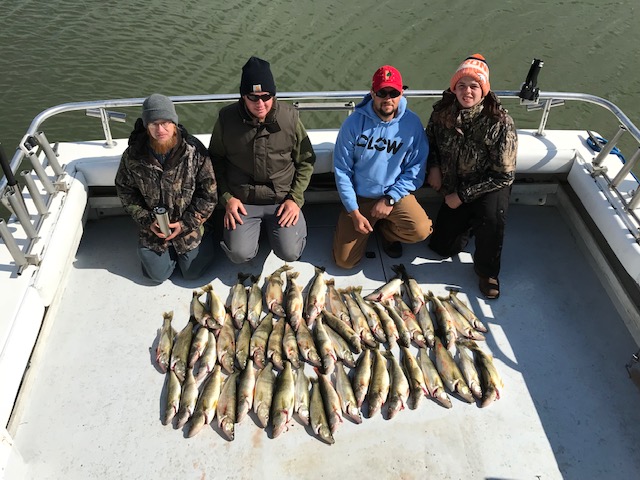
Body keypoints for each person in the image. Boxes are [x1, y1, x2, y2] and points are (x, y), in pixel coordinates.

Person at [426, 54, 518, 299]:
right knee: (441, 247)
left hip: (489, 187)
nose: (467, 91)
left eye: (474, 86)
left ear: (484, 90)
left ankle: (488, 272)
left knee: (492, 218)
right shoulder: (441, 113)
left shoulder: (500, 122)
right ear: (454, 88)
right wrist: (433, 166)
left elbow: (504, 176)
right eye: (462, 85)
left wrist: (463, 195)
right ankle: (469, 224)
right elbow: (430, 143)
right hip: (455, 187)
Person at [208, 56, 316, 264]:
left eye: (266, 96)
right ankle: (254, 232)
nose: (260, 104)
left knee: (290, 254)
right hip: (242, 201)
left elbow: (306, 161)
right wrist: (227, 198)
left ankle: (279, 233)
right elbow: (214, 161)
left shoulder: (290, 118)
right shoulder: (226, 119)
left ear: (273, 95)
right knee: (239, 255)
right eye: (253, 97)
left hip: (282, 200)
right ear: (243, 96)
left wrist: (295, 199)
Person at [332, 65, 432, 269]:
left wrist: (390, 198)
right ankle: (363, 225)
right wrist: (354, 212)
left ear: (401, 93)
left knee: (421, 230)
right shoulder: (353, 124)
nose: (388, 98)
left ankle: (386, 232)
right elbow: (342, 171)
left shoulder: (412, 124)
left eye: (393, 92)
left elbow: (415, 170)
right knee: (345, 262)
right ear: (372, 93)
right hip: (361, 199)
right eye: (382, 92)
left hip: (394, 195)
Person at [115, 94, 217, 283]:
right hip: (153, 228)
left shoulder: (195, 151)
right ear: (146, 126)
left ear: (174, 123)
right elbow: (125, 191)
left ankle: (205, 237)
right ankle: (164, 254)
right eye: (154, 124)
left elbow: (208, 195)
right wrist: (147, 220)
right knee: (157, 276)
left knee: (192, 273)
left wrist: (185, 224)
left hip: (189, 226)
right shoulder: (133, 155)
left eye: (165, 123)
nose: (160, 130)